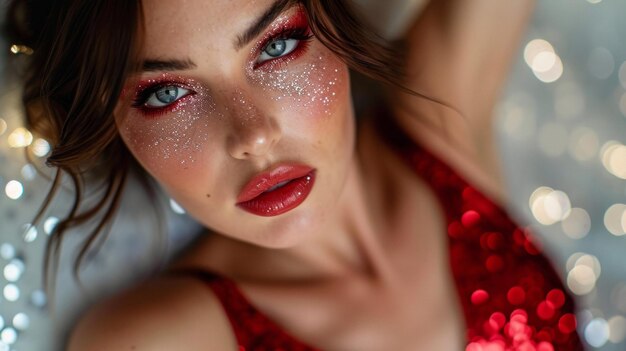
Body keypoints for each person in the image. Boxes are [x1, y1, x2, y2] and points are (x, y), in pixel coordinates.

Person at [4, 0, 584, 350]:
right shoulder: (162, 339)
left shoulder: (440, 125)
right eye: (166, 94)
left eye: (277, 45)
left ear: (333, 22)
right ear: (112, 126)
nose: (252, 134)